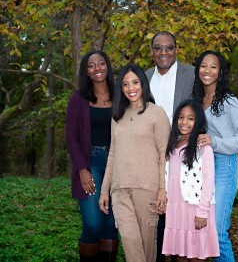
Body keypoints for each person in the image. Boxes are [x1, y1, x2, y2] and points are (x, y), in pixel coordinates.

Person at [99, 63, 170, 262]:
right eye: (125, 85)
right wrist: (104, 190)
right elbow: (113, 154)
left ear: (143, 84)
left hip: (147, 189)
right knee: (130, 243)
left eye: (135, 82)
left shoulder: (157, 113)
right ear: (120, 89)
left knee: (147, 251)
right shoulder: (117, 117)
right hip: (119, 190)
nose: (131, 88)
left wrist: (163, 189)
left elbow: (163, 154)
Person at [192, 51, 238, 262]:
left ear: (221, 72)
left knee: (217, 232)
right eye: (203, 66)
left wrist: (216, 142)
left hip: (224, 165)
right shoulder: (196, 99)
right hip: (201, 167)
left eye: (213, 67)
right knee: (203, 230)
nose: (207, 71)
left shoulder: (228, 101)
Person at [145, 31, 195, 262]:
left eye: (169, 48)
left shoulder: (192, 75)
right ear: (152, 51)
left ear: (176, 49)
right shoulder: (143, 78)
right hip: (151, 159)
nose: (163, 53)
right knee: (156, 220)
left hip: (182, 157)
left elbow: (202, 111)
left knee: (179, 222)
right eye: (158, 48)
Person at [65, 51, 119, 261]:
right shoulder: (78, 99)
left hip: (117, 163)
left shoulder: (120, 96)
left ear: (108, 66)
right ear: (86, 72)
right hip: (91, 161)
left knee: (111, 226)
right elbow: (71, 136)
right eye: (91, 65)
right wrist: (82, 168)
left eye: (101, 63)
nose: (97, 69)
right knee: (93, 224)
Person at [162, 99, 220, 262]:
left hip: (194, 209)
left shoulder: (203, 147)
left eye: (190, 118)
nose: (184, 122)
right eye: (180, 117)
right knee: (179, 255)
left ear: (198, 121)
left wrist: (202, 212)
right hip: (175, 210)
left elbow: (208, 182)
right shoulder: (172, 145)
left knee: (195, 256)